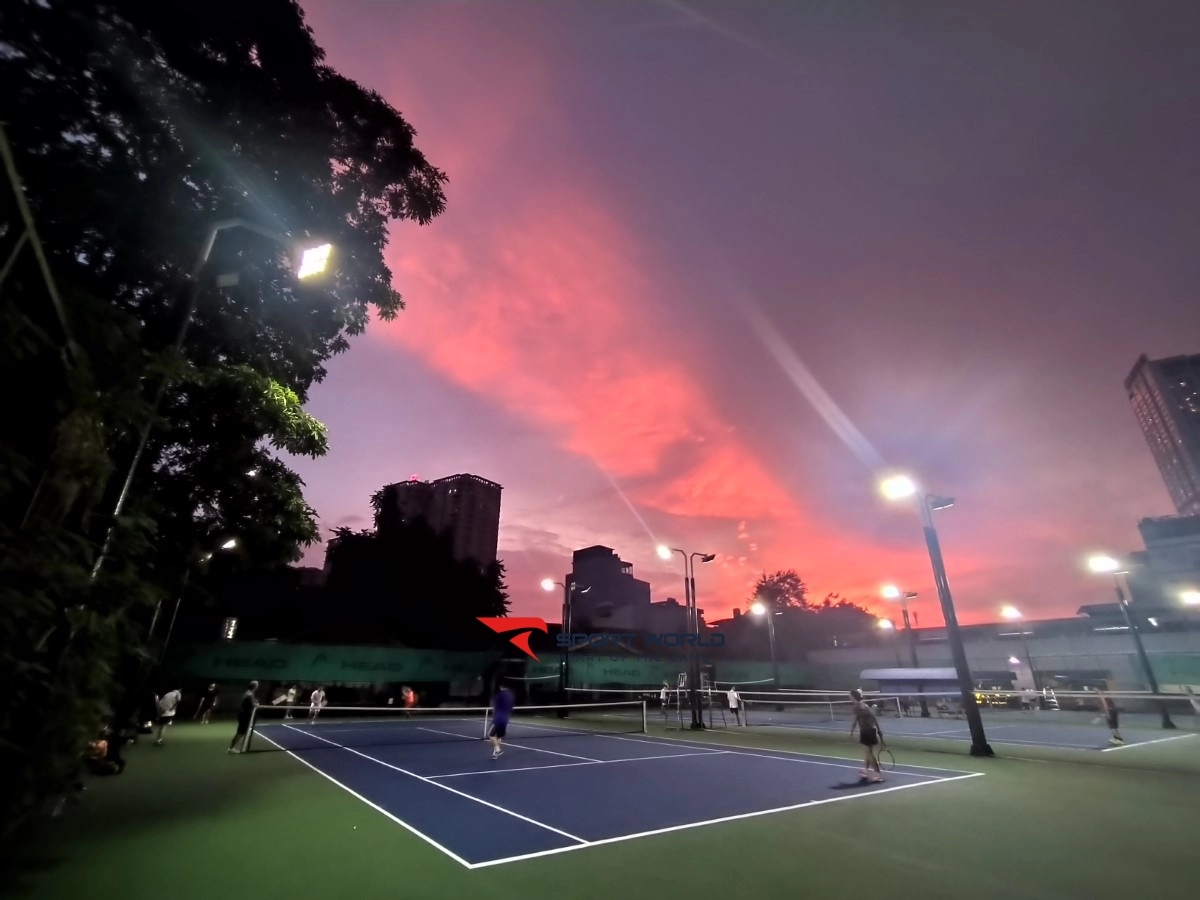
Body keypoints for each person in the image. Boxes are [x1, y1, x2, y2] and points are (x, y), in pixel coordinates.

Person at [849, 688, 884, 783]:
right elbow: (874, 717)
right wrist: (879, 730)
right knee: (868, 753)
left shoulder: (857, 706)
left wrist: (851, 732)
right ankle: (864, 771)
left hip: (865, 732)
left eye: (850, 696)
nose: (849, 697)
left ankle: (878, 774)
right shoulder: (865, 705)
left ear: (853, 696)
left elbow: (855, 721)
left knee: (869, 754)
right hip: (872, 730)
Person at [228, 681, 259, 754]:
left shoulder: (249, 692)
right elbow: (254, 704)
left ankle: (236, 747)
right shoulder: (250, 694)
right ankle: (231, 748)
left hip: (243, 713)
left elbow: (251, 702)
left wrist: (255, 702)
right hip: (244, 714)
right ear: (255, 686)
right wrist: (257, 703)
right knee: (240, 732)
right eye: (257, 685)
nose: (258, 686)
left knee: (242, 732)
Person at [489, 682, 515, 760]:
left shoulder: (499, 695)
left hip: (498, 718)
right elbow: (511, 708)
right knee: (498, 737)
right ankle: (495, 754)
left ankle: (498, 750)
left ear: (501, 686)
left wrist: (494, 715)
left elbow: (494, 707)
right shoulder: (511, 696)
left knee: (490, 735)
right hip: (506, 719)